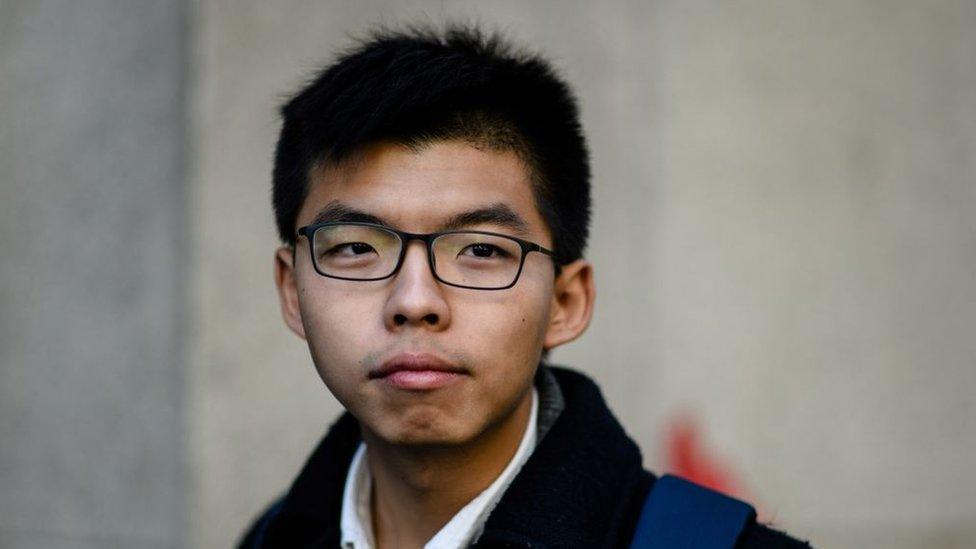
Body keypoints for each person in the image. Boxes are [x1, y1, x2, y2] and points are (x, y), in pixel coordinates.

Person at [239, 25, 810, 548]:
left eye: (481, 251)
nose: (414, 302)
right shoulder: (270, 538)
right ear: (292, 291)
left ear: (566, 301)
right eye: (358, 248)